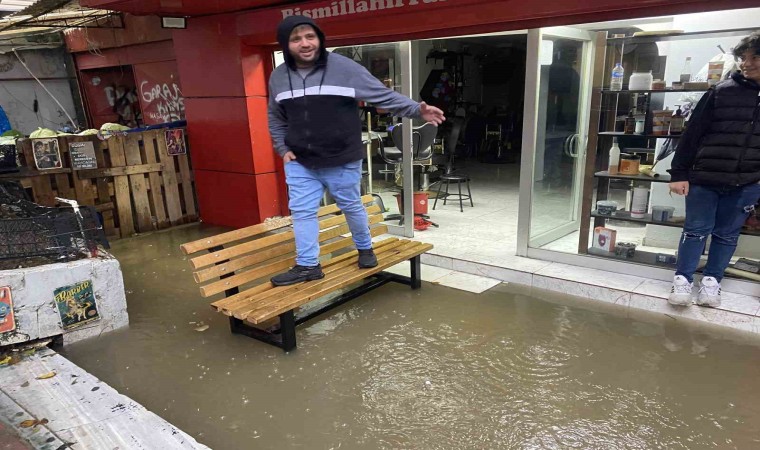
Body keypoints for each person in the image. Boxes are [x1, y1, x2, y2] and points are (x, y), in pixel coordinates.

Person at [267, 16, 445, 286]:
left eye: (310, 36)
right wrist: (282, 148)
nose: (305, 43)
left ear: (319, 38)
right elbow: (276, 117)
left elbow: (381, 95)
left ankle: (365, 249)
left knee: (351, 206)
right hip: (300, 160)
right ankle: (307, 266)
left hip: (341, 158)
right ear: (285, 44)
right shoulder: (279, 77)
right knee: (302, 212)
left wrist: (416, 109)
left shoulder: (343, 67)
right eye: (296, 39)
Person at [667, 32, 760, 307]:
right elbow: (691, 134)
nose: (746, 63)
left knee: (727, 235)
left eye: (755, 57)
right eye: (743, 58)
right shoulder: (721, 92)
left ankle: (711, 282)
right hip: (705, 177)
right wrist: (679, 173)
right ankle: (682, 280)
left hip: (746, 182)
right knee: (695, 230)